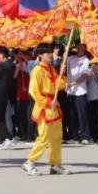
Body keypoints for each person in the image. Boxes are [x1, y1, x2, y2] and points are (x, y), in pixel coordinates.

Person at [22, 43, 68, 175]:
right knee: (43, 137)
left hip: (54, 106)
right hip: (45, 107)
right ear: (40, 55)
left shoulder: (51, 68)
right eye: (47, 53)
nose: (50, 55)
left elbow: (60, 86)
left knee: (57, 137)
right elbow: (33, 91)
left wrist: (62, 73)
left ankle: (55, 164)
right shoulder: (37, 70)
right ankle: (29, 162)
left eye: (51, 52)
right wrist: (47, 102)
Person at [65, 43, 91, 145]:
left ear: (84, 48)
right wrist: (67, 49)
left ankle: (85, 136)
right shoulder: (70, 58)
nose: (79, 48)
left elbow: (83, 77)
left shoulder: (86, 60)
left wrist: (71, 84)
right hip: (71, 92)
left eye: (81, 46)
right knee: (72, 115)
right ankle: (74, 136)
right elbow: (64, 64)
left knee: (82, 114)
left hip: (81, 91)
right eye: (77, 46)